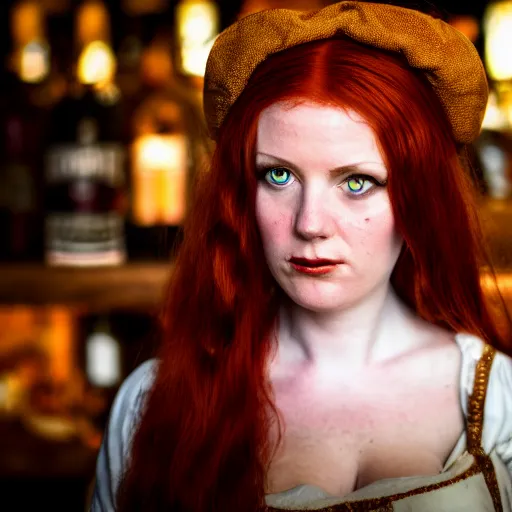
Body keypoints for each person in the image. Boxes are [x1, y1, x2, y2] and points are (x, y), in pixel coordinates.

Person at [91, 2, 512, 511]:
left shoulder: (500, 402)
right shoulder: (153, 403)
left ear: (418, 199)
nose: (309, 223)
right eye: (279, 175)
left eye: (358, 182)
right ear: (241, 193)